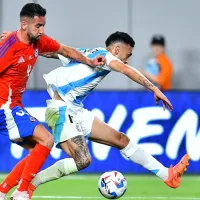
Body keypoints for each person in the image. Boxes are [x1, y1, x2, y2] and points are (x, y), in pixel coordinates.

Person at [24, 31, 189, 198]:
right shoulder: (106, 57)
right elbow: (125, 69)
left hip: (75, 109)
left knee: (121, 139)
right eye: (127, 54)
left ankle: (168, 176)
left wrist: (25, 44)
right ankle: (29, 184)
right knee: (83, 160)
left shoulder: (88, 53)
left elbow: (53, 52)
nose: (127, 60)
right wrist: (153, 88)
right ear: (116, 50)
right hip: (60, 109)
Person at [0, 3, 105, 200]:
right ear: (24, 24)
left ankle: (2, 191)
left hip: (13, 106)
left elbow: (65, 50)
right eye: (38, 26)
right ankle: (22, 192)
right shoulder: (9, 46)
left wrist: (89, 61)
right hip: (4, 107)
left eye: (43, 25)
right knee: (46, 140)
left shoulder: (39, 42)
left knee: (36, 150)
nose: (42, 30)